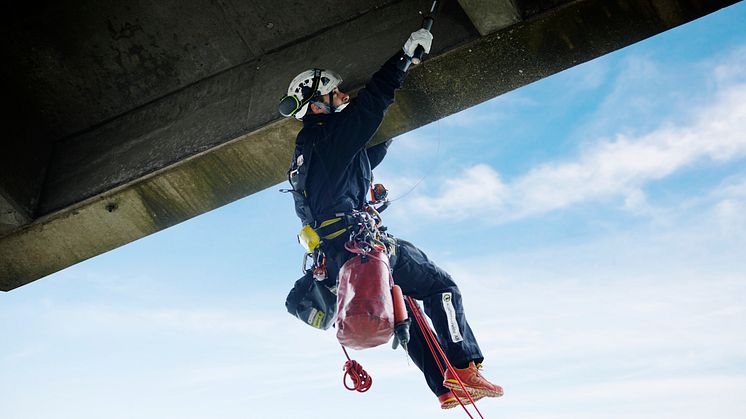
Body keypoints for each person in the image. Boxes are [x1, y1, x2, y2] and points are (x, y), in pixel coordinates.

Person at [279, 28, 503, 410]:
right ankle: (464, 368)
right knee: (439, 287)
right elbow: (371, 107)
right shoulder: (329, 137)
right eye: (335, 93)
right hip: (359, 247)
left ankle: (445, 388)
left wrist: (391, 140)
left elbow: (357, 162)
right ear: (317, 104)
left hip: (337, 256)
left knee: (407, 307)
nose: (343, 96)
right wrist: (404, 57)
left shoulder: (310, 153)